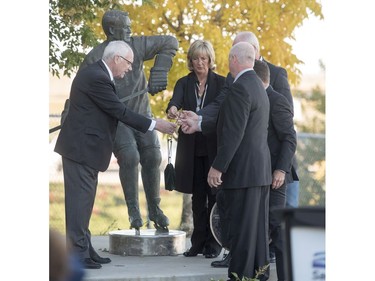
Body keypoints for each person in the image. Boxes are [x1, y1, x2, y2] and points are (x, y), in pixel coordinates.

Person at [179, 30, 299, 265]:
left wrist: (280, 169)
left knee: (272, 224)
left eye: (237, 51)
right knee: (244, 221)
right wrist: (199, 119)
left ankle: (281, 269)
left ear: (252, 52)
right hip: (250, 166)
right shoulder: (239, 80)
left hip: (273, 166)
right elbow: (224, 110)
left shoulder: (274, 76)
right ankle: (244, 261)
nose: (232, 58)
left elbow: (287, 132)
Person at [54, 40, 176, 269]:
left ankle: (85, 250)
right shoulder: (97, 77)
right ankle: (77, 256)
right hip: (81, 150)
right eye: (128, 63)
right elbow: (118, 111)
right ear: (117, 59)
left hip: (87, 151)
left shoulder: (99, 74)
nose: (130, 68)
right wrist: (154, 124)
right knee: (79, 204)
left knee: (84, 204)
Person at [79, 9, 178, 233]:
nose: (131, 29)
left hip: (142, 115)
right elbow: (80, 91)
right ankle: (133, 210)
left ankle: (154, 208)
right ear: (113, 30)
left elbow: (170, 42)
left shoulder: (137, 45)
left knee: (153, 155)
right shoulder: (95, 57)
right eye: (126, 26)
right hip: (117, 120)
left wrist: (160, 71)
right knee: (130, 156)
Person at [208, 42, 271, 281]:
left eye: (228, 58)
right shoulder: (258, 86)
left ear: (234, 59)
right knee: (257, 233)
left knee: (241, 233)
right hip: (259, 172)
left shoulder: (239, 87)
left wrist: (218, 166)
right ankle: (259, 275)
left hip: (242, 174)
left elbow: (233, 133)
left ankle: (239, 277)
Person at [166, 40, 225, 258]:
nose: (199, 62)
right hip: (190, 149)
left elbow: (217, 107)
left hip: (213, 148)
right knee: (197, 198)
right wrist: (172, 108)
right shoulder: (184, 82)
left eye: (204, 58)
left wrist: (198, 116)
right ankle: (197, 243)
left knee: (214, 196)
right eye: (195, 58)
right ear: (190, 60)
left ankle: (214, 244)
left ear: (210, 60)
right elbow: (175, 100)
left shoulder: (221, 83)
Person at [254, 59, 297, 281]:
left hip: (276, 177)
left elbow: (290, 138)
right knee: (260, 230)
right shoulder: (253, 99)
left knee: (277, 230)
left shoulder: (277, 100)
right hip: (258, 175)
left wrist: (280, 170)